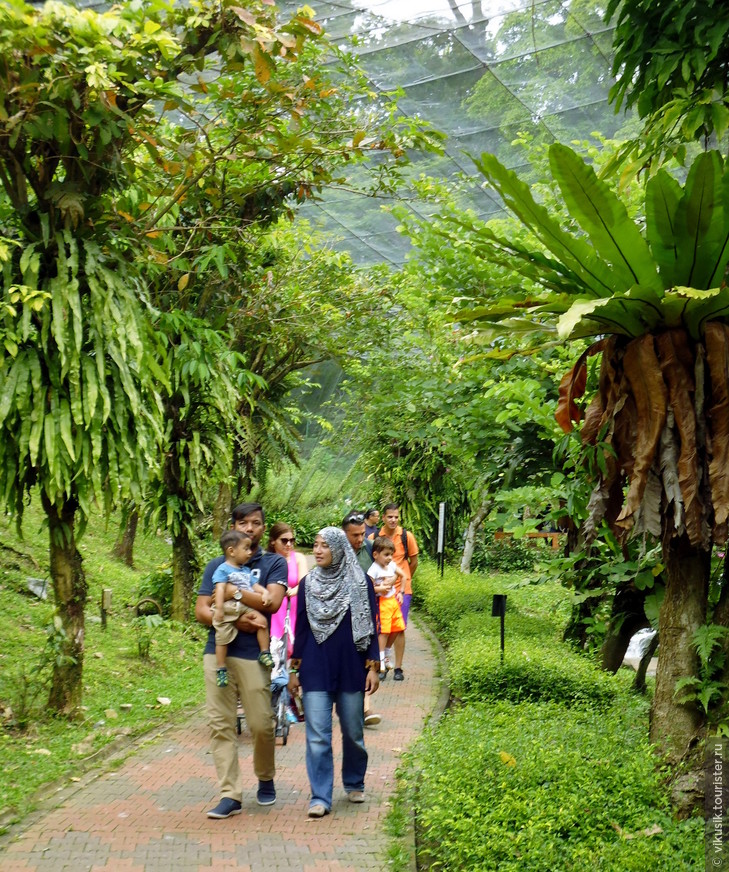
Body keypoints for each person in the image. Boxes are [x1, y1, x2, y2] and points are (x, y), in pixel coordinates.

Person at [195, 502, 287, 819]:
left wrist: (233, 592)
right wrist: (235, 621)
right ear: (234, 526)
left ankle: (265, 776)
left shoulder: (274, 563)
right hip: (218, 652)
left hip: (253, 655)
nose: (250, 528)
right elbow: (202, 611)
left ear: (264, 527)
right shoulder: (216, 565)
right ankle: (230, 794)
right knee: (221, 725)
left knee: (262, 724)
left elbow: (273, 603)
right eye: (244, 523)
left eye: (257, 523)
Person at [288, 527, 380, 818]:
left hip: (352, 665)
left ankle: (354, 781)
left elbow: (371, 625)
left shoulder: (359, 581)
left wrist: (373, 665)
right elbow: (300, 630)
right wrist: (293, 668)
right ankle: (320, 796)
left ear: (338, 549)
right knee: (317, 735)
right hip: (316, 667)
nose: (317, 551)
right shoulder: (307, 584)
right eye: (315, 545)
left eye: (324, 546)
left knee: (353, 731)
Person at [212, 530, 274, 688]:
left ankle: (264, 652)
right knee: (222, 637)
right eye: (246, 549)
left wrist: (265, 592)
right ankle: (220, 667)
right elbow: (219, 589)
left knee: (261, 622)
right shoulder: (223, 569)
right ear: (231, 551)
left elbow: (255, 586)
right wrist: (219, 608)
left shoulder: (245, 571)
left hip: (245, 606)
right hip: (228, 607)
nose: (249, 552)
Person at [342, 512, 380, 727]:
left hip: (364, 616)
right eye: (354, 535)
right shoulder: (333, 552)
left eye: (362, 534)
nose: (359, 539)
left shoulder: (368, 548)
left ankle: (365, 707)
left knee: (363, 659)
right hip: (340, 620)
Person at [267, 521, 308, 722]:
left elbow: (303, 581)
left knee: (293, 651)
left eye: (292, 540)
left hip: (293, 608)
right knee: (277, 651)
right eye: (284, 540)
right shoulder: (269, 560)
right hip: (276, 609)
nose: (289, 544)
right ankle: (280, 701)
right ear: (273, 541)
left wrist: (293, 590)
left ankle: (293, 699)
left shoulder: (298, 558)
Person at [378, 503, 419, 681]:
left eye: (396, 517)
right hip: (381, 591)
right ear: (383, 517)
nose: (393, 520)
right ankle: (382, 662)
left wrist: (404, 579)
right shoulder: (375, 537)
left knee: (400, 627)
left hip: (402, 590)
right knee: (382, 628)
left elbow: (414, 561)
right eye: (390, 517)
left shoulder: (406, 536)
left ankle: (398, 667)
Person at [367, 536, 406, 678]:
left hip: (393, 601)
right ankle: (381, 658)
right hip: (382, 603)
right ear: (376, 555)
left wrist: (401, 592)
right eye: (386, 555)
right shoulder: (374, 569)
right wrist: (381, 588)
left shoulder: (392, 565)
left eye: (391, 554)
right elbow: (369, 587)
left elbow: (403, 576)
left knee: (397, 628)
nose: (390, 558)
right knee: (383, 631)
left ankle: (387, 652)